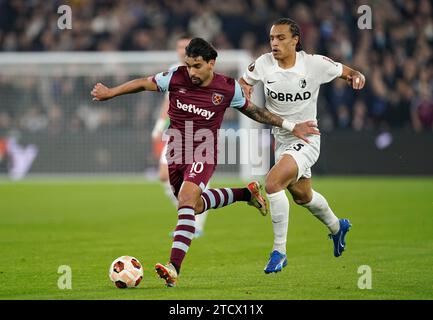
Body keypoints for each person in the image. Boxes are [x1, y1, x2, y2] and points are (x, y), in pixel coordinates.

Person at [91, 38, 318, 287]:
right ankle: (246, 194)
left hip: (204, 150)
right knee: (195, 206)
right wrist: (111, 92)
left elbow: (255, 111)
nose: (191, 72)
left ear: (211, 63)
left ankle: (173, 267)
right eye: (188, 65)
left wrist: (289, 125)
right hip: (176, 150)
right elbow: (144, 83)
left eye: (196, 66)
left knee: (186, 201)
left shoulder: (227, 88)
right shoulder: (175, 77)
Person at [239, 18, 366, 274]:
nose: (274, 43)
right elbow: (245, 81)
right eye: (272, 38)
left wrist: (357, 77)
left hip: (307, 138)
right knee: (303, 197)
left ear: (295, 40)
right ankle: (336, 226)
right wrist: (245, 89)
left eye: (281, 38)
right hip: (282, 139)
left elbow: (349, 72)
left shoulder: (314, 64)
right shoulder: (263, 64)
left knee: (273, 183)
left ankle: (279, 251)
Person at [151, 34, 209, 238]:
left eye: (186, 46)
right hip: (176, 130)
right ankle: (188, 216)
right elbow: (168, 100)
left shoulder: (202, 70)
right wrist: (159, 124)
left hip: (199, 131)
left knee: (195, 174)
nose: (182, 50)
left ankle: (196, 225)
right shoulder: (174, 70)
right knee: (164, 175)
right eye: (179, 46)